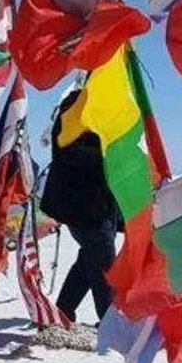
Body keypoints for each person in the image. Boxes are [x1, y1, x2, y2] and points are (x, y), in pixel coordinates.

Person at [39, 89, 120, 325]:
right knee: (104, 265)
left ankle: (63, 312)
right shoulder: (76, 104)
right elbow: (66, 151)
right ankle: (111, 325)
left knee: (89, 259)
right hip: (83, 206)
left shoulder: (110, 106)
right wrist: (107, 155)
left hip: (101, 204)